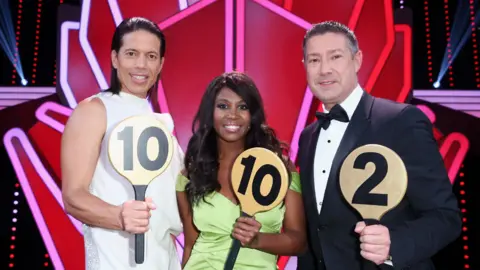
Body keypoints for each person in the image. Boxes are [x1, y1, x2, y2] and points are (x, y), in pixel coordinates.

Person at [296, 21, 461, 270]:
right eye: (314, 60)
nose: (324, 70)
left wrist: (393, 244)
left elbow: (445, 217)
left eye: (335, 57)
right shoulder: (308, 137)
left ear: (357, 60)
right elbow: (316, 228)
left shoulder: (402, 120)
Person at [61, 17, 183, 270]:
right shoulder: (94, 110)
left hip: (165, 260)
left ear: (161, 64)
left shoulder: (161, 125)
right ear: (115, 58)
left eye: (151, 56)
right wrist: (118, 216)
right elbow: (73, 197)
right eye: (131, 53)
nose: (141, 64)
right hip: (114, 262)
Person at [176, 71, 306, 269]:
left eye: (242, 107)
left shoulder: (279, 168)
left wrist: (258, 240)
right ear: (210, 113)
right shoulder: (192, 174)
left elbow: (298, 241)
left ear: (252, 115)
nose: (233, 115)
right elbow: (191, 245)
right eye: (223, 106)